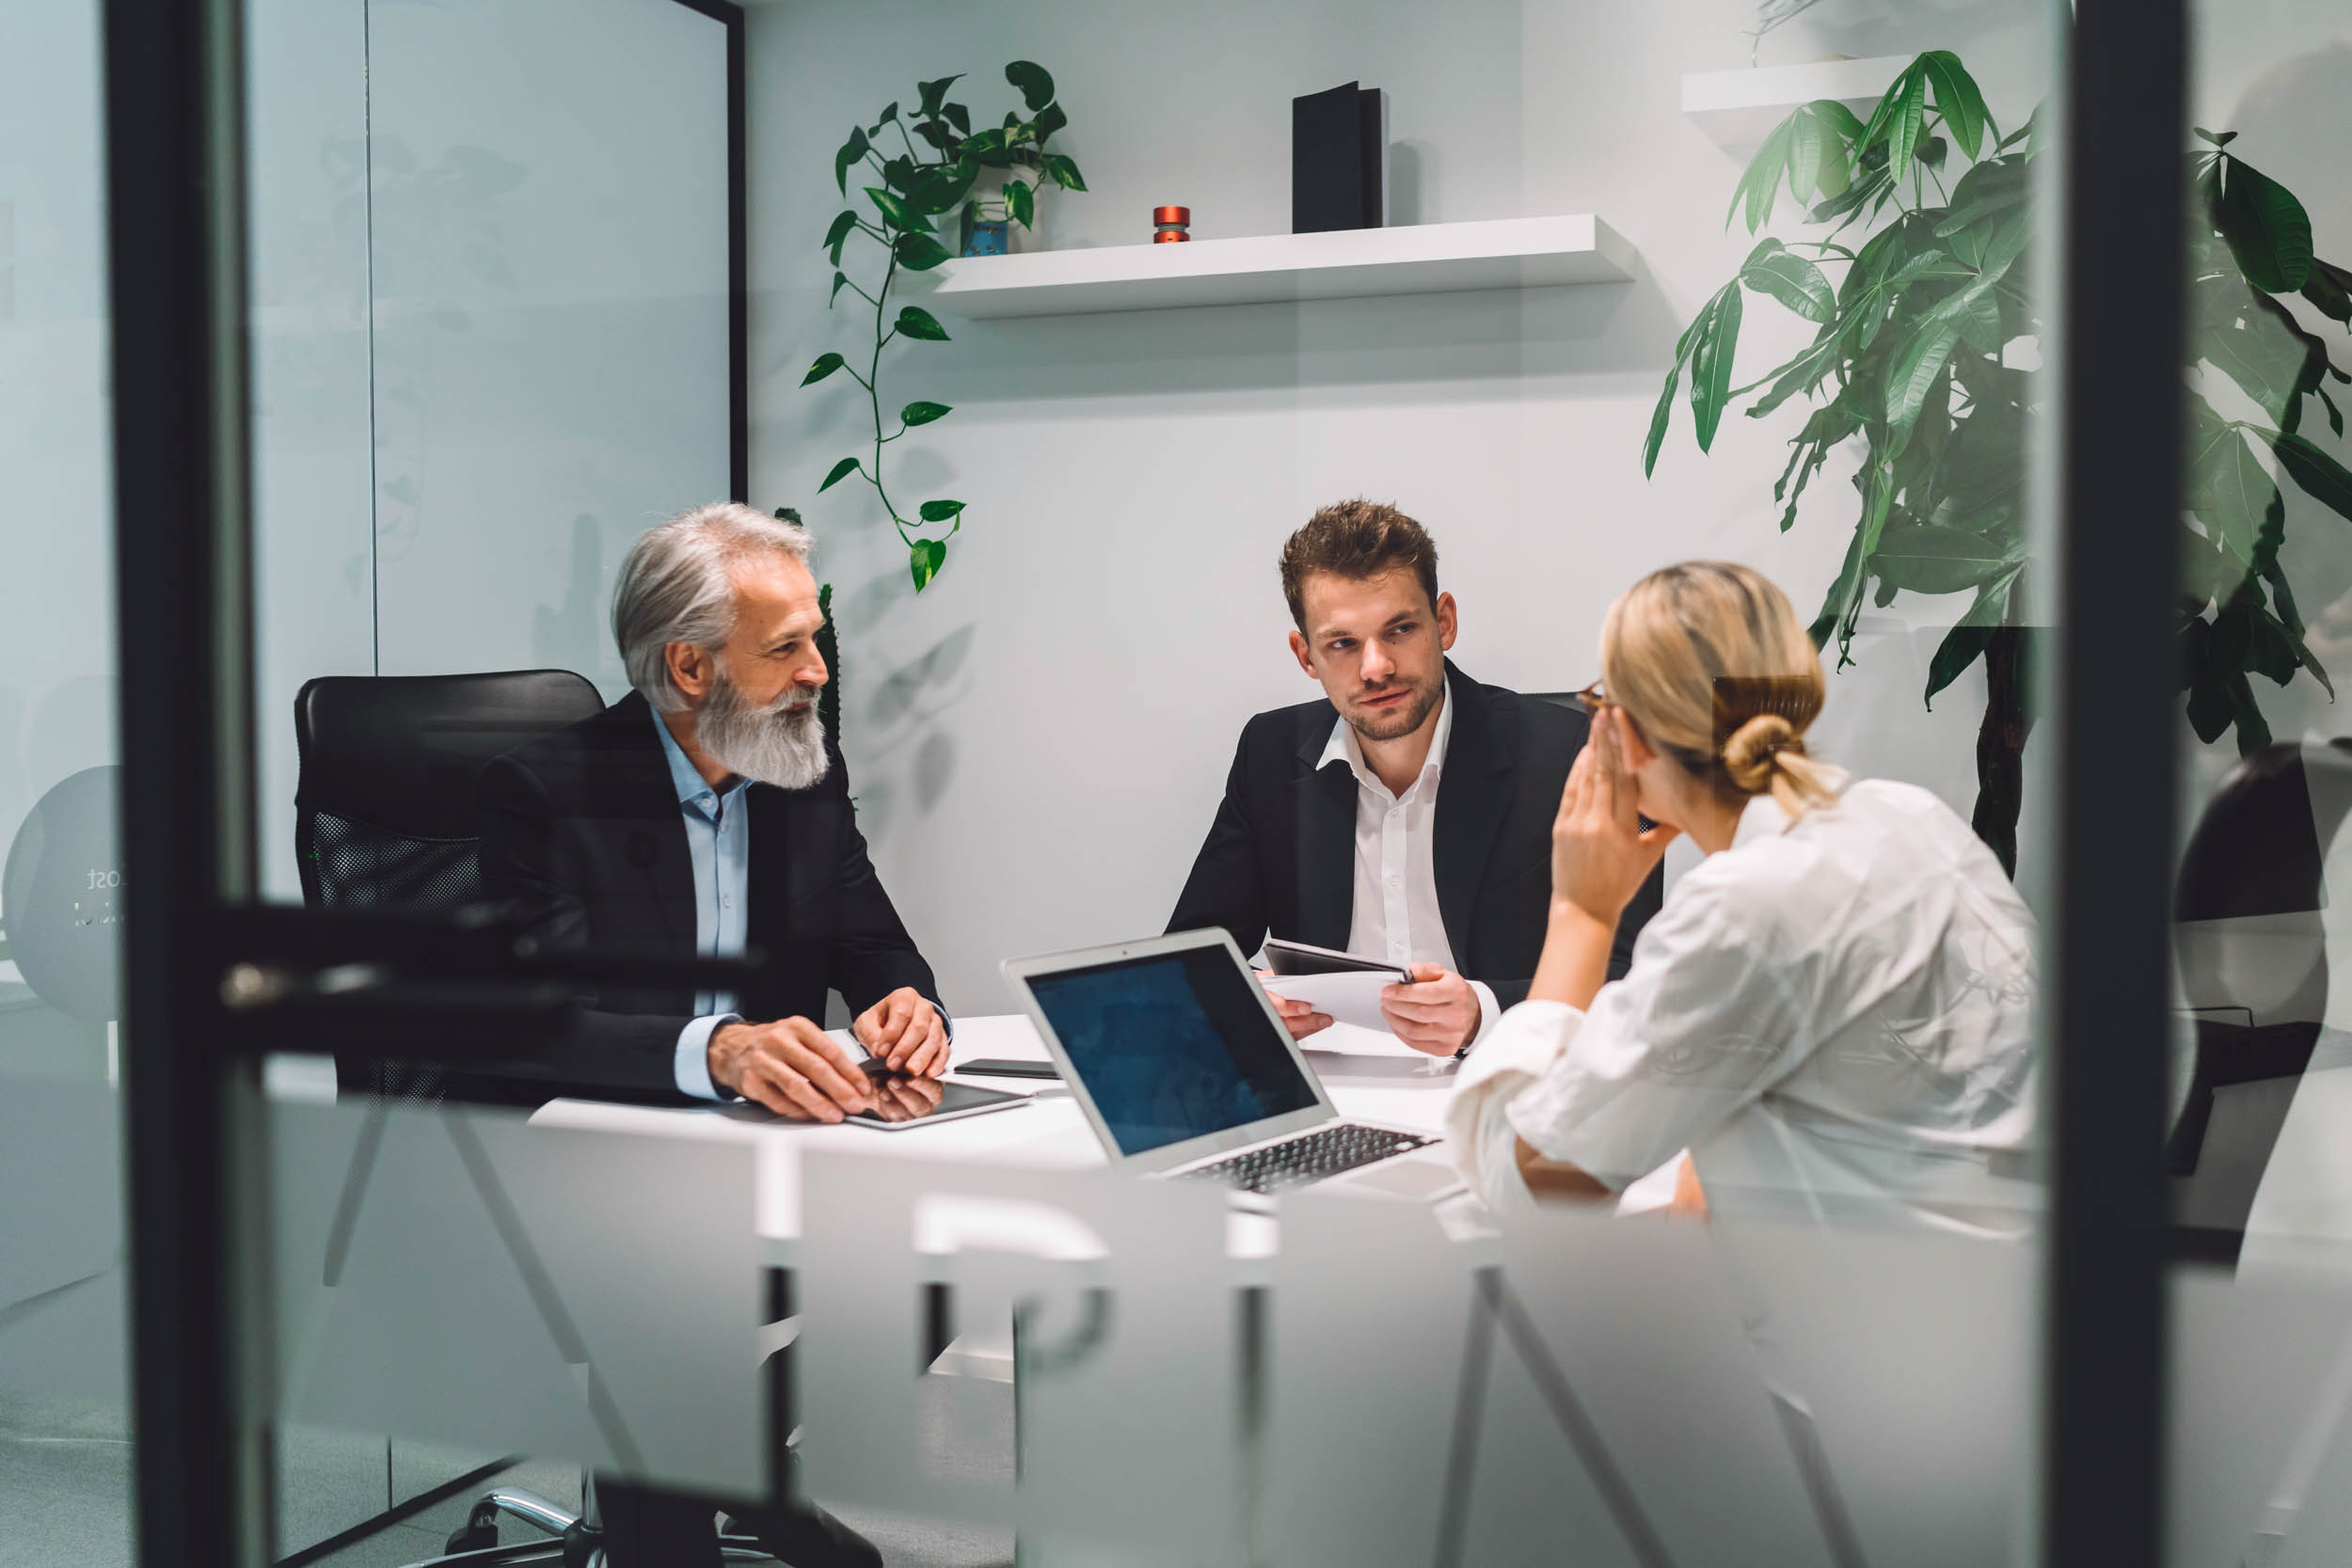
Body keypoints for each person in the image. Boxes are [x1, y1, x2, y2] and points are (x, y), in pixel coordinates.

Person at [479, 501, 946, 1568]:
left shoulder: (800, 770)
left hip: (758, 1145)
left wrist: (906, 1004)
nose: (819, 670)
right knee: (658, 1301)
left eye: (815, 637)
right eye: (785, 648)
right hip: (586, 1149)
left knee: (944, 1251)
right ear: (691, 669)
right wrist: (718, 1050)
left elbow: (877, 944)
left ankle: (742, 1465)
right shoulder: (545, 793)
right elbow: (533, 1024)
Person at [1445, 561, 2038, 1232]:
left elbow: (1528, 1185)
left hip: (1880, 1317)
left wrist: (1582, 911)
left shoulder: (1745, 908)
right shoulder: (1912, 816)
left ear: (1628, 733)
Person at [1169, 500, 1661, 1057]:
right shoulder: (1271, 754)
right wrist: (1237, 996)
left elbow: (1637, 978)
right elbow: (1186, 959)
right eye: (1342, 644)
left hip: (1505, 1081)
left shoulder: (1571, 752)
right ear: (1305, 655)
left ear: (1444, 621)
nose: (1376, 666)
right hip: (1327, 1088)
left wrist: (1486, 1012)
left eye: (1399, 629)